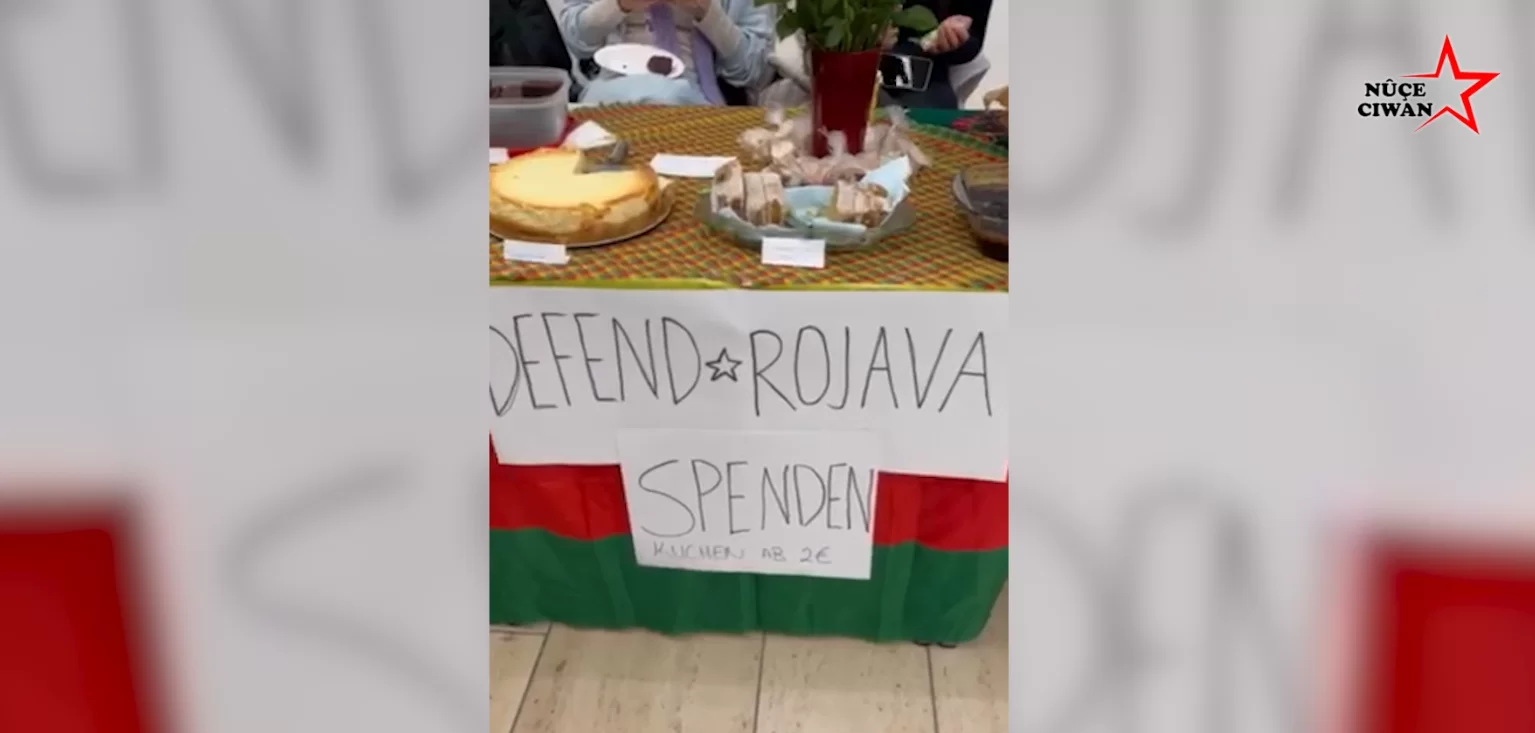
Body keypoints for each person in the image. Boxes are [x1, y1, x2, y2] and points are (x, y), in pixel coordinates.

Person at [559, 0, 776, 106]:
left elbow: (755, 69)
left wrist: (707, 11)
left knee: (671, 95)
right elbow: (577, 40)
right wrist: (620, 4)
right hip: (612, 93)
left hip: (695, 100)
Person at [880, 0, 992, 109]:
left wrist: (955, 36)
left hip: (921, 69)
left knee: (935, 109)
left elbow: (974, 41)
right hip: (880, 62)